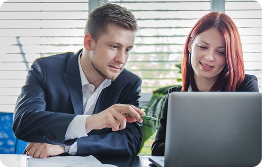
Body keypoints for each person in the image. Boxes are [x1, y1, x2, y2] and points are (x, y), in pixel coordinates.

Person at [12, 3, 145, 158]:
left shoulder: (129, 83)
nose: (121, 59)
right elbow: (24, 122)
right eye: (114, 46)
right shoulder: (46, 69)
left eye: (127, 49)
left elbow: (130, 142)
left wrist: (66, 146)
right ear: (89, 42)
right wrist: (90, 122)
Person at [151, 12, 259, 156]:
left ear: (229, 57)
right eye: (203, 47)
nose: (209, 57)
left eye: (220, 52)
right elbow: (157, 150)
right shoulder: (175, 97)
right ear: (190, 45)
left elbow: (252, 144)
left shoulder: (244, 86)